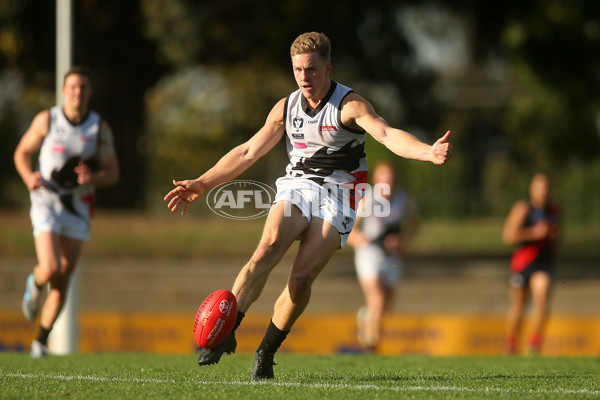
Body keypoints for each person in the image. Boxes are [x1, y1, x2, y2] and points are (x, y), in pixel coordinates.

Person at [164, 32, 452, 380]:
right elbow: (247, 151)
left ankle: (266, 352)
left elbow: (387, 135)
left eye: (312, 70)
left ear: (328, 68)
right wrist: (203, 182)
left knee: (300, 279)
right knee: (266, 248)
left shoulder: (350, 106)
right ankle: (224, 333)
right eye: (298, 70)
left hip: (341, 196)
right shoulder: (285, 107)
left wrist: (428, 151)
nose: (305, 77)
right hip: (298, 187)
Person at [14, 66, 120, 358]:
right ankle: (34, 284)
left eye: (83, 87)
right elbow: (21, 153)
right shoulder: (47, 120)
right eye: (73, 87)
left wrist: (94, 178)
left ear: (90, 92)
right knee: (50, 267)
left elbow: (113, 173)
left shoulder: (99, 128)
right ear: (63, 91)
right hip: (46, 200)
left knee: (63, 279)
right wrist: (28, 177)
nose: (78, 92)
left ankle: (41, 342)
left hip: (78, 206)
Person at [347, 160, 419, 353]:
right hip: (369, 253)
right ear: (376, 179)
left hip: (392, 256)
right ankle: (372, 345)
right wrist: (357, 239)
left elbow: (414, 225)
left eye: (390, 176)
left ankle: (365, 317)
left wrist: (401, 240)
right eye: (383, 176)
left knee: (385, 306)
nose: (387, 180)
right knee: (377, 299)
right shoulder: (367, 199)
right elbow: (349, 229)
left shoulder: (404, 199)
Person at [502, 173, 561, 355]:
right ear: (532, 189)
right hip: (523, 263)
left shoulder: (554, 211)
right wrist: (534, 233)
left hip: (543, 263)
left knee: (542, 299)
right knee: (519, 307)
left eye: (546, 187)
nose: (543, 191)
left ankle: (534, 343)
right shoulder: (523, 208)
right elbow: (509, 236)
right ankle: (512, 343)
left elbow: (558, 236)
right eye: (539, 187)